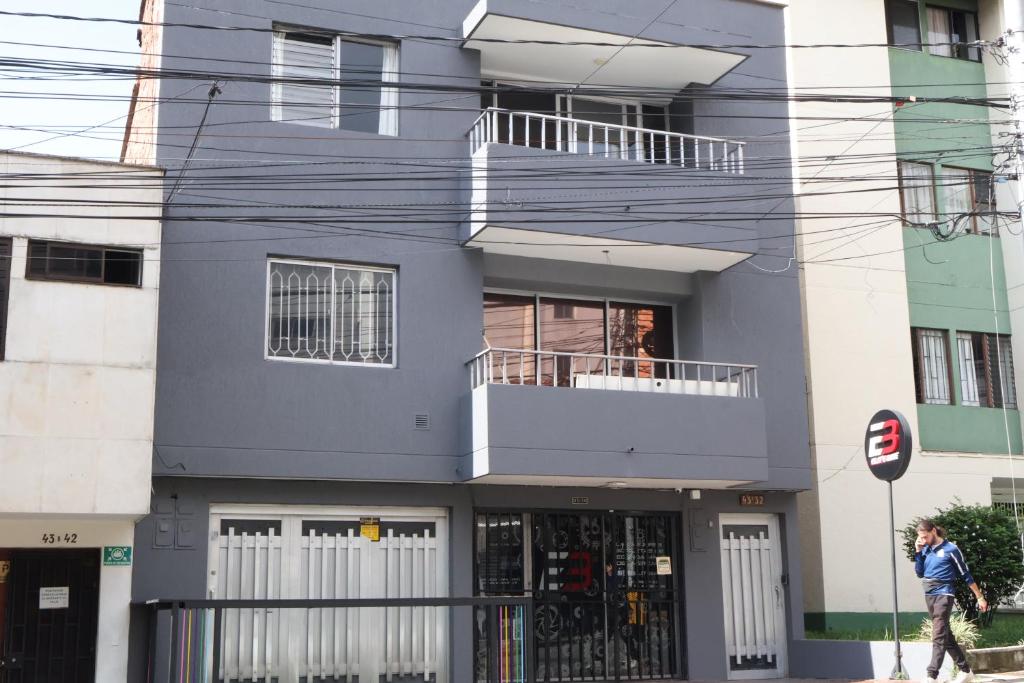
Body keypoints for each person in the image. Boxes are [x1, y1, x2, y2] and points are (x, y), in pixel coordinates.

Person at [913, 518, 988, 683]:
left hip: (944, 594)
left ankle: (931, 675)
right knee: (946, 635)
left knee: (938, 634)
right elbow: (919, 573)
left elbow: (965, 574)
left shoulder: (951, 549)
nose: (923, 540)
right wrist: (918, 552)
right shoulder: (925, 549)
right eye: (921, 538)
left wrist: (979, 597)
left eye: (925, 537)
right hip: (929, 594)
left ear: (933, 531)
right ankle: (965, 670)